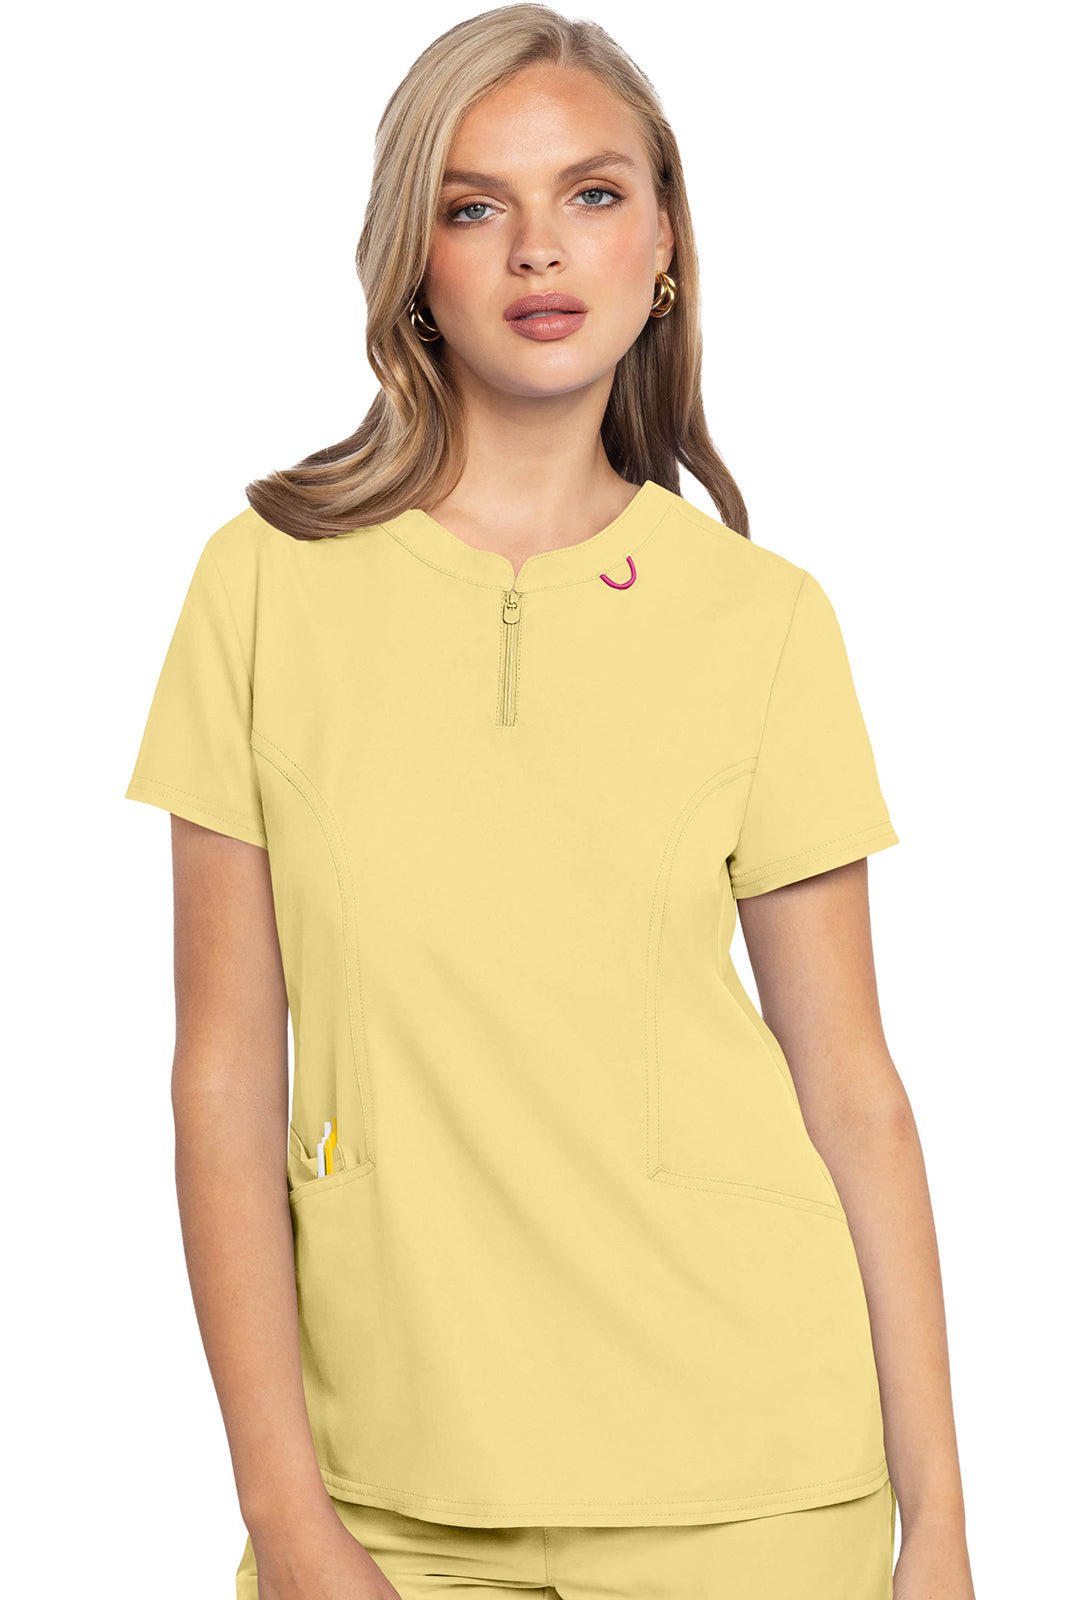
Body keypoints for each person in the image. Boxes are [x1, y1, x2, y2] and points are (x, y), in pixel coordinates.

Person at [123, 7, 976, 1598]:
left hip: (756, 1488)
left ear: (664, 248)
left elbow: (852, 1086)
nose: (538, 247)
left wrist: (939, 1522)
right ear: (415, 263)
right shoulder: (262, 588)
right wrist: (289, 1519)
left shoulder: (765, 619)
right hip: (388, 1494)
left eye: (592, 193)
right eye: (475, 204)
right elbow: (222, 1080)